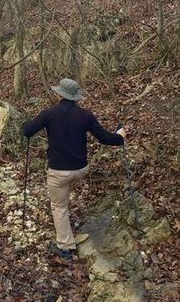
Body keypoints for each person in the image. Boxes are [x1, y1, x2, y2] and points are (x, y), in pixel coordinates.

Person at [22, 78, 126, 261]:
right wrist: (120, 137)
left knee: (59, 206)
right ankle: (68, 228)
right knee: (65, 192)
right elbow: (105, 138)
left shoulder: (49, 113)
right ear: (76, 98)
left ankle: (65, 247)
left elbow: (28, 131)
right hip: (81, 169)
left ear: (59, 94)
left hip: (59, 172)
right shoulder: (86, 115)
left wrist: (25, 124)